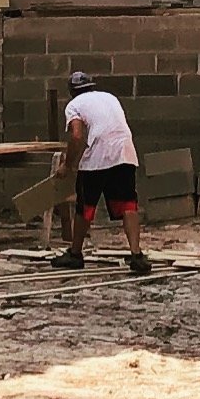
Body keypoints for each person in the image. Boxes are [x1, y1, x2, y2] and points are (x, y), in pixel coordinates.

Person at [57, 67, 150, 277]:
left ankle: (75, 253)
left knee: (86, 206)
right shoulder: (109, 97)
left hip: (99, 156)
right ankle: (136, 255)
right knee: (128, 203)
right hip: (125, 152)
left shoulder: (74, 105)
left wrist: (68, 165)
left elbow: (78, 136)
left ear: (72, 91)